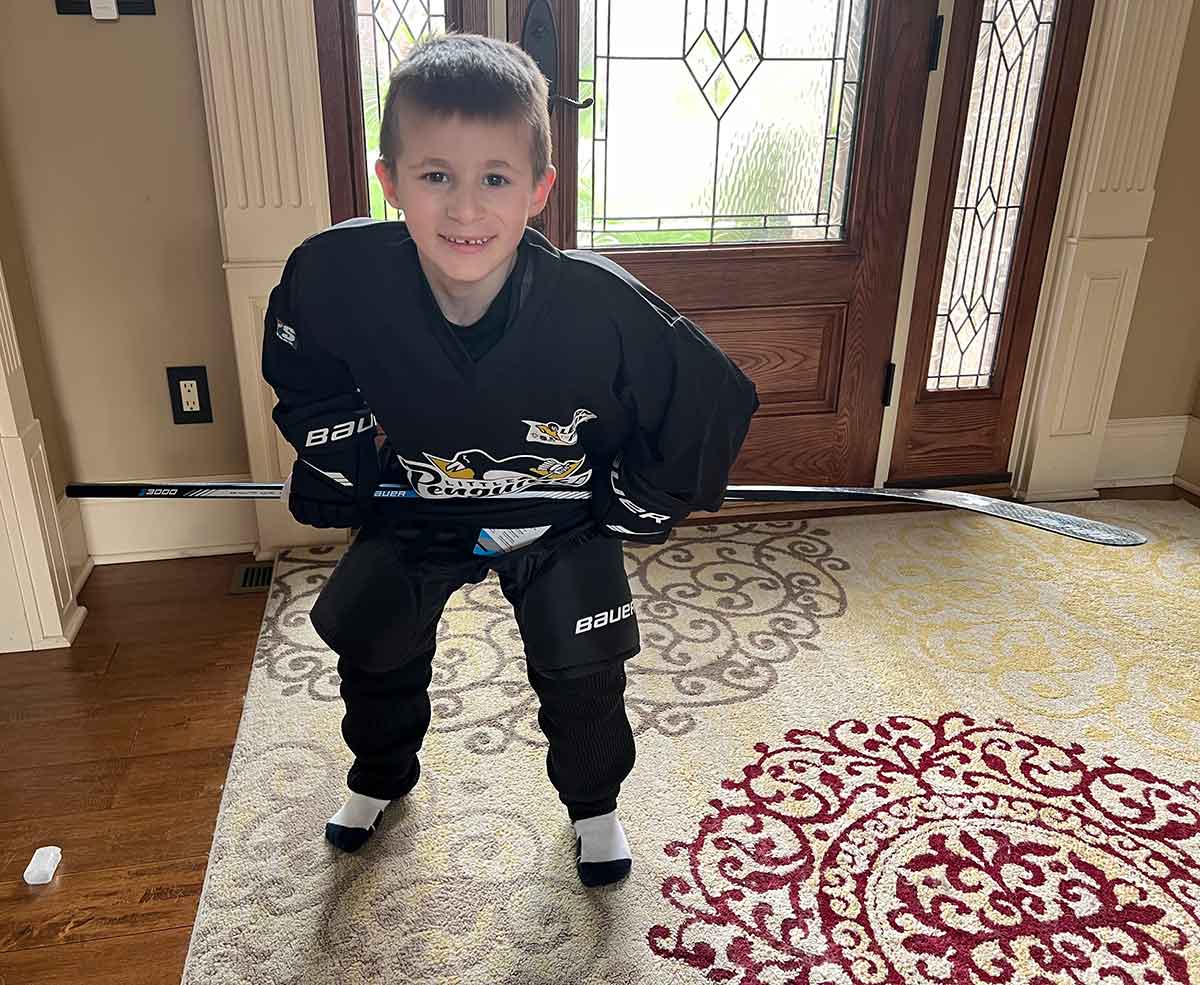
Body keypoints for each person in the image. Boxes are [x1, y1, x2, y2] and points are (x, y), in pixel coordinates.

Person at [261, 33, 758, 889]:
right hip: (421, 502)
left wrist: (644, 492)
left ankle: (594, 806)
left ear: (539, 189)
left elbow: (710, 397)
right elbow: (302, 366)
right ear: (389, 180)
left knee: (583, 666)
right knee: (373, 643)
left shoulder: (598, 305)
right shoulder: (335, 275)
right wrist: (339, 451)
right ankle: (378, 775)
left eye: (495, 178)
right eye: (435, 175)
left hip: (558, 515)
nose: (465, 209)